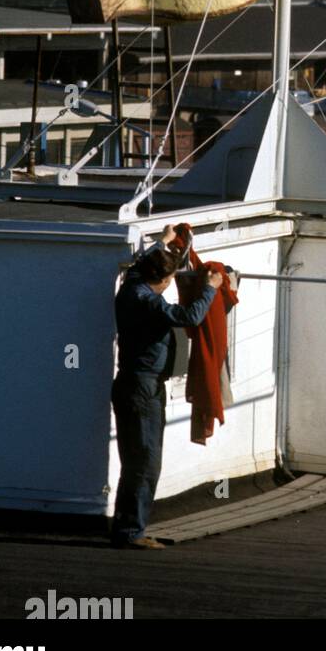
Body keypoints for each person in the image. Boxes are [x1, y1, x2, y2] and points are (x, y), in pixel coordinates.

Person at [110, 226, 222, 549]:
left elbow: (137, 264)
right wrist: (210, 288)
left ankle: (125, 528)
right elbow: (189, 316)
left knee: (133, 461)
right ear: (158, 281)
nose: (169, 286)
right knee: (145, 463)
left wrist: (165, 240)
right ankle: (132, 533)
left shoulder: (131, 286)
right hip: (144, 388)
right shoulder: (150, 303)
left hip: (129, 384)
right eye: (169, 281)